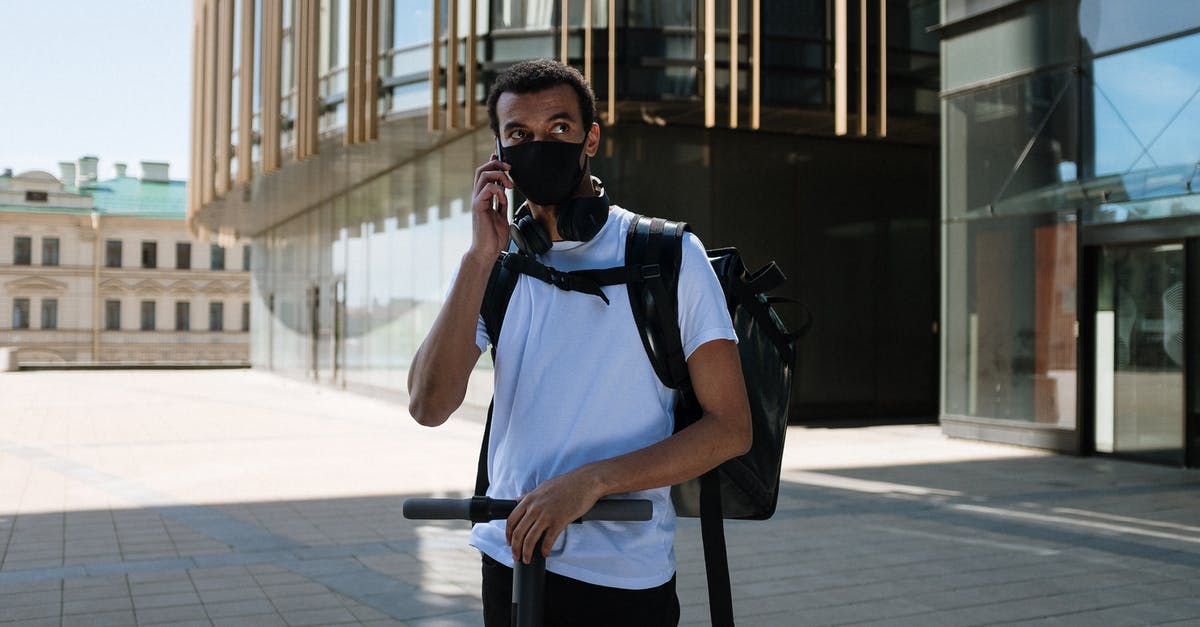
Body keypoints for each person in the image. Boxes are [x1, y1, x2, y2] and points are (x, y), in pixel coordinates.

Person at [407, 58, 752, 626]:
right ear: (498, 152)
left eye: (559, 128)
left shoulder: (667, 255)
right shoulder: (495, 265)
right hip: (509, 557)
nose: (540, 145)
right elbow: (428, 404)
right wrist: (478, 256)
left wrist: (590, 483)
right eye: (519, 134)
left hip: (624, 573)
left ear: (591, 137)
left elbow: (731, 428)